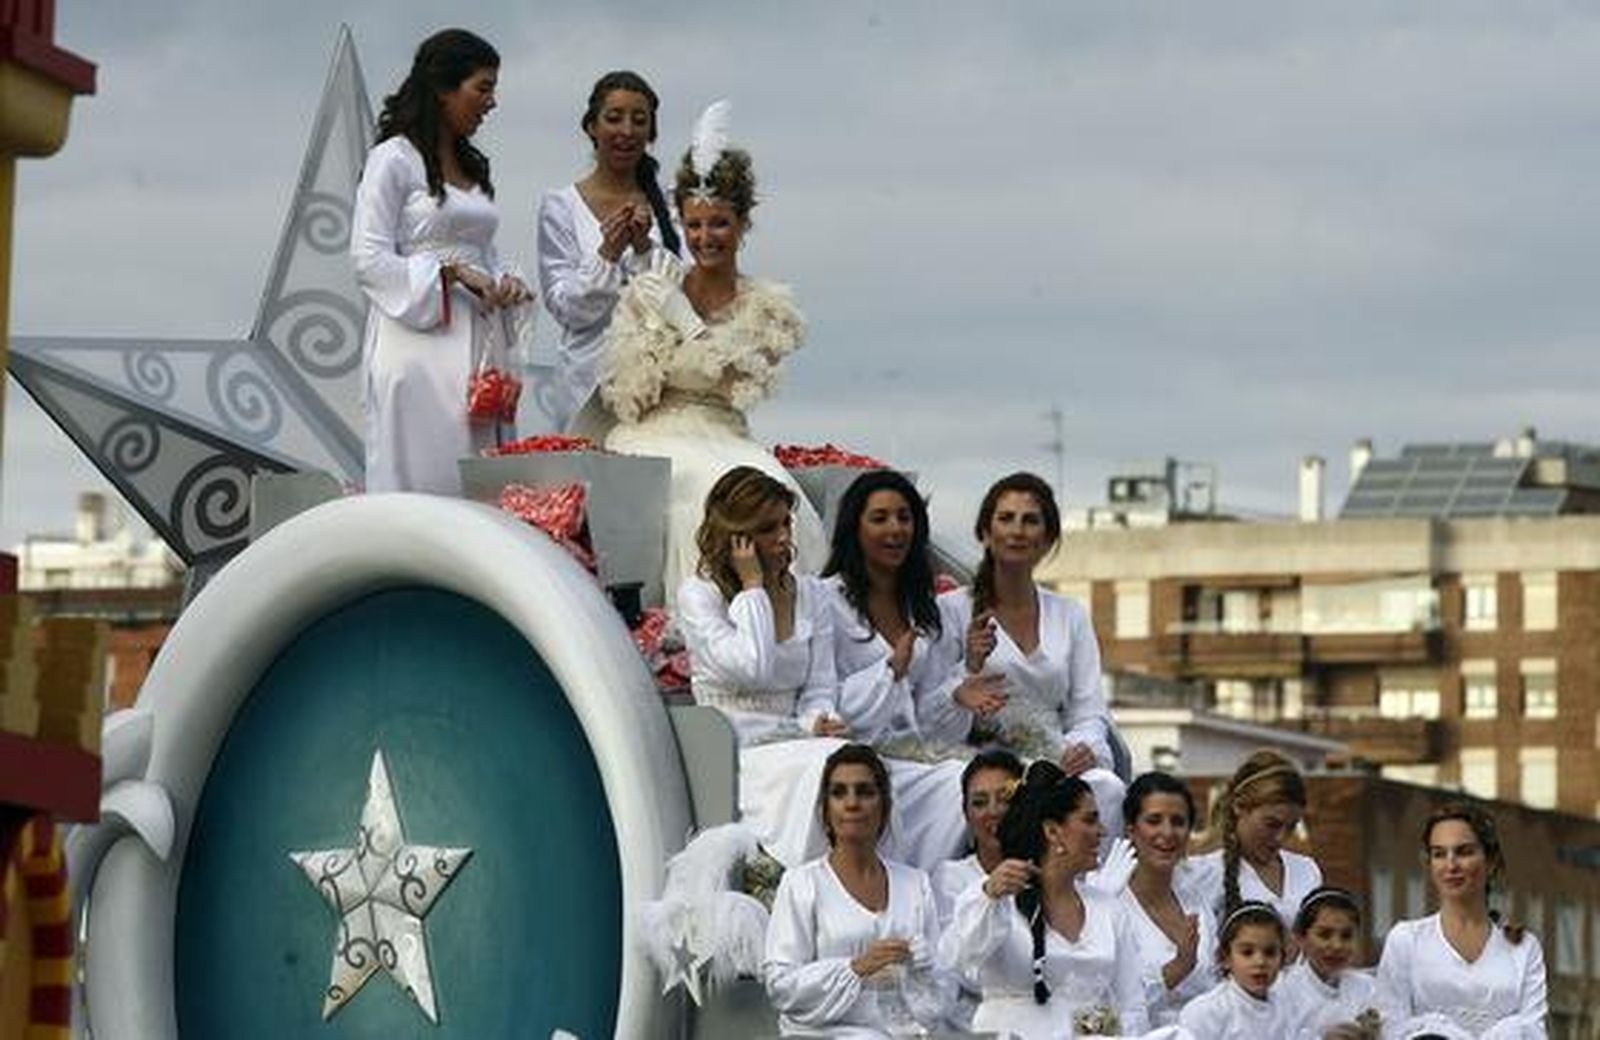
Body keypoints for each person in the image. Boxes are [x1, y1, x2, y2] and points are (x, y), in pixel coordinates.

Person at [597, 102, 827, 598]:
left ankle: (780, 623)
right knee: (696, 488)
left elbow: (735, 383)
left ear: (743, 224)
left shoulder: (767, 307)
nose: (705, 238)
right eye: (694, 225)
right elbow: (632, 393)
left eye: (719, 224)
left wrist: (684, 321)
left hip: (724, 431)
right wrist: (653, 315)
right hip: (652, 433)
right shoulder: (655, 286)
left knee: (773, 491)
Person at [353, 28, 532, 495]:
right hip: (415, 341)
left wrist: (504, 279)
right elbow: (368, 257)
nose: (492, 102)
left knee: (477, 476)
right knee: (421, 476)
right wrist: (449, 274)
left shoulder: (474, 167)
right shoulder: (392, 160)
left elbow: (482, 249)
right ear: (442, 88)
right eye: (483, 88)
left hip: (477, 345)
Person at [928, 472, 1127, 841]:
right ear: (985, 533)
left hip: (1054, 759)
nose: (1017, 530)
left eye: (1030, 520)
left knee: (1106, 788)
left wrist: (1082, 751)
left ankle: (1093, 895)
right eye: (1005, 519)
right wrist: (968, 666)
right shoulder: (951, 610)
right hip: (975, 760)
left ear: (1048, 538)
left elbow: (1088, 710)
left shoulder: (1070, 614)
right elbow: (932, 712)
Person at [676, 466, 847, 867]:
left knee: (860, 769)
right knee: (824, 773)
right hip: (734, 747)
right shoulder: (698, 596)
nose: (785, 538)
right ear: (737, 536)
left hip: (799, 739)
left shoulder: (810, 594)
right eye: (769, 528)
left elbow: (821, 683)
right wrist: (752, 587)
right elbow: (752, 666)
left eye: (785, 523)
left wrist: (820, 718)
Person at [820, 470, 990, 868]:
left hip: (918, 758)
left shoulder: (926, 607)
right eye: (879, 518)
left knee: (976, 780)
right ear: (854, 528)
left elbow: (933, 727)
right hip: (857, 760)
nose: (895, 529)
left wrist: (963, 682)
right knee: (957, 785)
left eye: (904, 517)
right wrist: (888, 672)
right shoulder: (826, 600)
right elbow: (822, 700)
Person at [943, 760, 1149, 1038]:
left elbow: (1131, 1006)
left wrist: (1086, 1031)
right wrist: (989, 896)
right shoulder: (992, 900)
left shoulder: (1108, 908)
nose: (1102, 831)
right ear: (1053, 831)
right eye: (1090, 820)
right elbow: (957, 960)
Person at [764, 744, 952, 1036]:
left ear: (884, 805)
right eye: (839, 793)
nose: (852, 803)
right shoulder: (801, 884)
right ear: (825, 810)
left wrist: (921, 971)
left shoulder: (917, 885)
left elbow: (941, 986)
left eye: (865, 791)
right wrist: (856, 967)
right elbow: (781, 985)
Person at [536, 70, 679, 432]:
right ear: (591, 126)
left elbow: (686, 294)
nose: (626, 131)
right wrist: (608, 256)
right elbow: (567, 308)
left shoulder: (672, 206)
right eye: (614, 118)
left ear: (651, 133)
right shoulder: (560, 206)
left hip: (661, 385)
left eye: (639, 120)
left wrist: (645, 247)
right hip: (586, 385)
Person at [1375, 802, 1548, 1039]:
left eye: (1464, 852)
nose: (1451, 865)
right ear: (1429, 864)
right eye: (1439, 854)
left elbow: (1535, 1032)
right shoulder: (1406, 940)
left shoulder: (1523, 947)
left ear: (1491, 861)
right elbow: (1390, 1029)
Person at [930, 749, 1023, 1032]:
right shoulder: (950, 878)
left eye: (1005, 799)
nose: (993, 811)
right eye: (980, 803)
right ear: (966, 814)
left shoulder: (1052, 876)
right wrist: (987, 896)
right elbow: (954, 966)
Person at [1188, 749, 1323, 932]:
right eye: (1271, 824)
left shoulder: (1307, 870)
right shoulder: (1201, 874)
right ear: (1239, 807)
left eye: (1291, 827)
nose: (1280, 838)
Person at [1119, 771, 1216, 1028]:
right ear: (1131, 829)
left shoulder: (1196, 901)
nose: (1167, 832)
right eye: (1154, 820)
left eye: (1178, 821)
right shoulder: (1111, 904)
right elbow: (1107, 1007)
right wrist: (1177, 967)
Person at [1178, 901, 1294, 1037]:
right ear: (1226, 958)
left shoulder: (1286, 1008)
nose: (1260, 962)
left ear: (1282, 958)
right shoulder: (1204, 1013)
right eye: (1247, 952)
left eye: (1270, 952)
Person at [1279, 887, 1380, 1040]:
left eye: (1346, 936)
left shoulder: (1368, 988)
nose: (1336, 945)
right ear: (1301, 938)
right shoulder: (1281, 991)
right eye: (1324, 935)